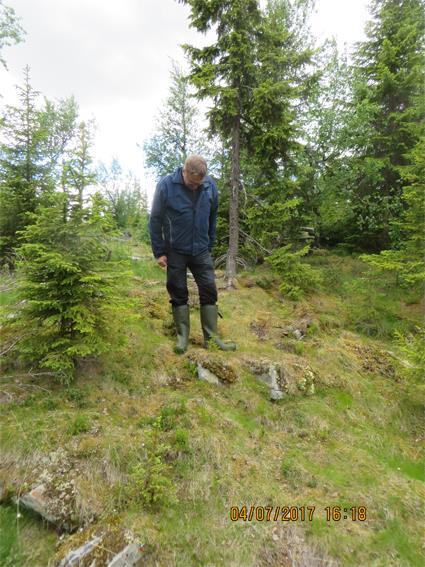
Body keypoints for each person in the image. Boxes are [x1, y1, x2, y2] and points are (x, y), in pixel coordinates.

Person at [149, 155, 236, 354]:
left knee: (209, 290)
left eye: (199, 184)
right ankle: (182, 338)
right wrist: (159, 251)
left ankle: (212, 340)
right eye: (191, 183)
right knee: (178, 292)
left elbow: (213, 216)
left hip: (201, 250)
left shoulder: (210, 187)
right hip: (175, 250)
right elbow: (155, 219)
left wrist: (209, 242)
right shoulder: (166, 185)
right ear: (185, 171)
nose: (195, 186)